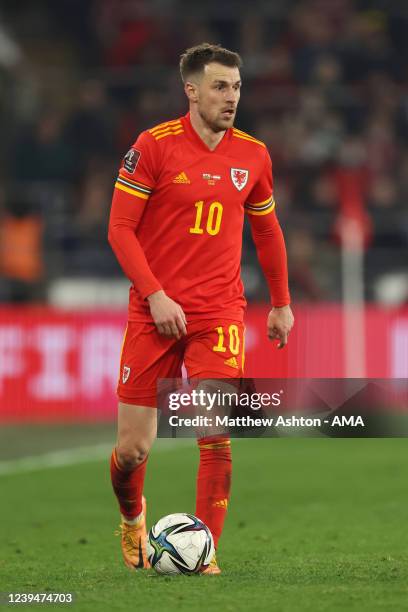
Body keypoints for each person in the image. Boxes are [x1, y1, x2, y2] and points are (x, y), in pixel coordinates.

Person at [108, 42, 294, 575]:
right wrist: (154, 293)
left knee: (214, 426)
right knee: (133, 451)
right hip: (154, 313)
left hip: (219, 312)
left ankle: (204, 552)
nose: (231, 97)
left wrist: (281, 303)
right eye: (219, 86)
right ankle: (131, 518)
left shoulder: (253, 154)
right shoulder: (154, 146)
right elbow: (119, 229)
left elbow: (267, 230)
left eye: (236, 86)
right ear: (190, 90)